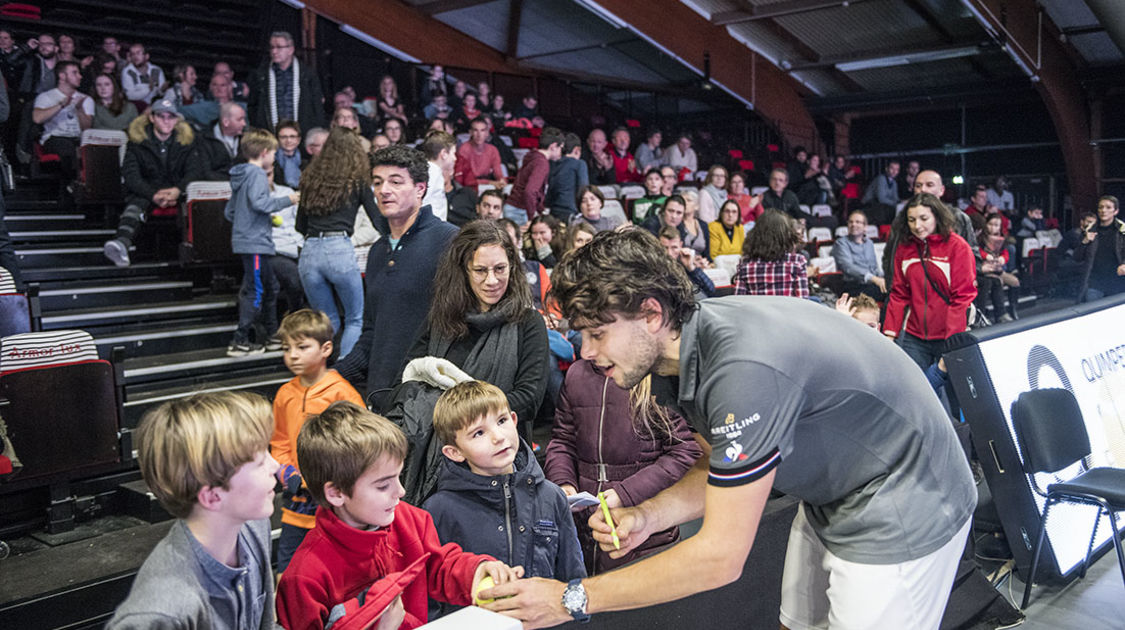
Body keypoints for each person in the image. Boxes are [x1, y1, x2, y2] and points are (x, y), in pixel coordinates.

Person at [483, 228, 975, 630]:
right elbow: (716, 469)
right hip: (840, 485)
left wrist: (571, 598)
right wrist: (650, 516)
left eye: (597, 332)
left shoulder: (743, 370)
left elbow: (720, 556)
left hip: (907, 490)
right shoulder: (673, 354)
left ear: (652, 314)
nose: (586, 352)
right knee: (797, 623)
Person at [276, 401, 523, 630]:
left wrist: (477, 570)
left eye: (399, 476)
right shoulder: (304, 578)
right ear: (336, 493)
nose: (401, 491)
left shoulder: (411, 520)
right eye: (383, 485)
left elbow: (437, 566)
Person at [105, 392, 279, 629]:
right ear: (212, 496)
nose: (275, 466)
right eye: (260, 462)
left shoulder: (253, 526)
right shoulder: (162, 612)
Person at [424, 380, 586, 585]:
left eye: (501, 421)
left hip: (543, 615)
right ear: (454, 452)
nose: (498, 437)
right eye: (479, 433)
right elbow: (431, 589)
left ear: (514, 419)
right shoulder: (438, 510)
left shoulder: (551, 496)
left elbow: (573, 576)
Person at [545, 362, 700, 575]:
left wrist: (625, 493)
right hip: (582, 526)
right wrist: (563, 482)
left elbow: (684, 451)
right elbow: (563, 439)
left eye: (598, 335)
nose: (587, 349)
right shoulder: (576, 374)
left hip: (644, 527)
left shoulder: (657, 379)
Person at [403, 220, 549, 443]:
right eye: (480, 270)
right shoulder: (442, 317)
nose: (492, 280)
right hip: (438, 450)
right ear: (464, 271)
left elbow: (528, 399)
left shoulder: (528, 322)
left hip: (500, 453)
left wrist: (457, 417)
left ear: (512, 266)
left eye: (500, 269)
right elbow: (409, 380)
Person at [334, 145, 459, 401]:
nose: (384, 190)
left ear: (420, 189)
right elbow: (372, 333)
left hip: (431, 397)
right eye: (378, 182)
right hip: (382, 396)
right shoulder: (378, 251)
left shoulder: (450, 241)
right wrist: (333, 375)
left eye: (396, 181)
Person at [271, 309, 364, 572]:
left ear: (326, 348)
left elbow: (360, 442)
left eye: (302, 347)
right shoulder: (284, 394)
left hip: (334, 501)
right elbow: (278, 441)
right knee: (289, 569)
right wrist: (283, 469)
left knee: (335, 569)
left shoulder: (341, 391)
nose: (293, 355)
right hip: (296, 502)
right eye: (287, 348)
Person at [295, 127, 378, 357]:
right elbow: (377, 219)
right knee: (354, 318)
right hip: (339, 247)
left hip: (309, 250)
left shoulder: (310, 177)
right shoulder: (356, 180)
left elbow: (299, 226)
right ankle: (344, 372)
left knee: (326, 320)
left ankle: (318, 372)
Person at [225, 128, 300, 355]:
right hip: (256, 243)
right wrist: (290, 199)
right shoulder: (256, 174)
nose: (275, 158)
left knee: (270, 287)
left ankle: (272, 335)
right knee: (256, 291)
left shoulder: (241, 175)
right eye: (274, 153)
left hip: (252, 242)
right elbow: (261, 204)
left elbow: (230, 212)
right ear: (265, 152)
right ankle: (240, 340)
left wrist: (252, 221)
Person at [882, 193, 976, 370]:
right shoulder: (904, 248)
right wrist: (889, 334)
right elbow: (899, 293)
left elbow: (962, 298)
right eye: (911, 220)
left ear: (936, 216)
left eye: (923, 218)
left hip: (947, 336)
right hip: (914, 336)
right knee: (917, 391)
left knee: (954, 391)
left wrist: (953, 343)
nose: (917, 226)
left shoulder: (958, 247)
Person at [103, 99, 200, 268]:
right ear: (152, 118)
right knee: (137, 201)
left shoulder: (187, 141)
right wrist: (153, 195)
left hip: (177, 191)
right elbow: (131, 176)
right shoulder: (137, 142)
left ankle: (198, 253)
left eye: (171, 117)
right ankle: (121, 244)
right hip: (147, 191)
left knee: (195, 200)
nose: (166, 121)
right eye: (161, 116)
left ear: (177, 120)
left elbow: (194, 172)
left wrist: (177, 190)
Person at [248, 31, 325, 131]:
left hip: (302, 133)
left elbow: (317, 107)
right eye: (272, 47)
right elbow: (253, 106)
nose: (274, 51)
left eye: (279, 47)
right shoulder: (260, 75)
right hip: (270, 134)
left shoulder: (307, 74)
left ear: (291, 50)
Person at [31, 60, 91, 179]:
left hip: (79, 139)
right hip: (54, 138)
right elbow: (37, 118)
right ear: (62, 76)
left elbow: (87, 128)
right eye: (74, 73)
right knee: (69, 151)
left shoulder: (85, 98)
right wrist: (61, 105)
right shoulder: (46, 96)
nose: (80, 76)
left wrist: (80, 110)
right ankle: (73, 187)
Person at [733, 209, 808, 298]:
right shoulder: (797, 261)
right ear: (785, 235)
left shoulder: (745, 263)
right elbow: (803, 301)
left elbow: (740, 300)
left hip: (756, 312)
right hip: (788, 311)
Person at [505, 127, 564, 226]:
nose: (561, 152)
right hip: (520, 211)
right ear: (553, 146)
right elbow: (530, 191)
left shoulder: (532, 156)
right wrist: (532, 216)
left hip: (513, 207)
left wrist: (540, 210)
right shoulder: (542, 163)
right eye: (561, 148)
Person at [1075, 195, 1125, 302]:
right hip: (1095, 283)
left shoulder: (1122, 230)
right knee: (1092, 314)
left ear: (1115, 211)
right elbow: (1077, 258)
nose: (1103, 210)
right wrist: (1084, 242)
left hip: (1117, 282)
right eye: (1101, 207)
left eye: (1108, 207)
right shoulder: (1089, 230)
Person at [832, 209, 886, 299]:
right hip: (853, 286)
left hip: (871, 284)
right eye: (851, 222)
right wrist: (874, 279)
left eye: (858, 222)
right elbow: (848, 267)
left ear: (865, 227)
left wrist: (883, 278)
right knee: (888, 292)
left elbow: (874, 267)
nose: (853, 224)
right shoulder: (841, 243)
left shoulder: (869, 243)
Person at [975, 213, 1019, 322]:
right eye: (991, 224)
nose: (993, 227)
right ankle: (999, 314)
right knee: (996, 281)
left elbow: (1005, 252)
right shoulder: (981, 238)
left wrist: (1003, 259)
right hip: (984, 270)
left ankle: (1013, 309)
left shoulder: (1001, 238)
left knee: (1015, 281)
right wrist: (986, 256)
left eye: (996, 225)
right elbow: (976, 251)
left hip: (998, 269)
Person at [658, 226, 714, 299]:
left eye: (674, 247)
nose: (669, 253)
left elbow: (711, 290)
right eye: (665, 248)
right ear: (658, 246)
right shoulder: (655, 266)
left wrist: (691, 267)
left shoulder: (685, 261)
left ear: (680, 245)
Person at [545, 132, 588, 223]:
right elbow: (583, 188)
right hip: (571, 212)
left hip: (553, 211)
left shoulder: (552, 164)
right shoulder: (580, 164)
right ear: (577, 150)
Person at [196, 102, 246, 181]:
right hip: (215, 188)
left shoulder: (247, 137)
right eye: (239, 119)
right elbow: (205, 173)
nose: (244, 124)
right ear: (226, 122)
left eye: (244, 119)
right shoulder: (203, 140)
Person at [454, 116, 505, 188]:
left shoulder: (493, 150)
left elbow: (498, 172)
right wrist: (491, 183)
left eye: (482, 130)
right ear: (470, 132)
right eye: (475, 130)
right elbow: (465, 180)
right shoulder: (464, 149)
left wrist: (501, 180)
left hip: (488, 184)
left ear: (487, 133)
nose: (479, 135)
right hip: (469, 187)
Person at [421, 130, 455, 222]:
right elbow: (422, 204)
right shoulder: (432, 173)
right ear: (444, 154)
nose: (454, 158)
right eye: (453, 153)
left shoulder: (432, 171)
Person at [861, 160, 900, 225]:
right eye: (892, 168)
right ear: (887, 169)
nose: (894, 171)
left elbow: (895, 198)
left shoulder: (894, 183)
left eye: (897, 169)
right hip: (869, 205)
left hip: (882, 206)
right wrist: (896, 203)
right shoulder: (881, 179)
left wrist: (901, 202)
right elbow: (881, 199)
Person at [679, 190, 710, 261]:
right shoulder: (677, 223)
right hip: (683, 262)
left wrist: (708, 262)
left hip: (701, 262)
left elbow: (707, 253)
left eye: (689, 200)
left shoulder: (703, 225)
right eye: (682, 200)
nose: (685, 203)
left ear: (696, 206)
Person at [274, 119, 302, 188]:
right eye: (283, 137)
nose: (288, 140)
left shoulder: (306, 161)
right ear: (277, 139)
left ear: (298, 140)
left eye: (292, 136)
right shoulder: (272, 161)